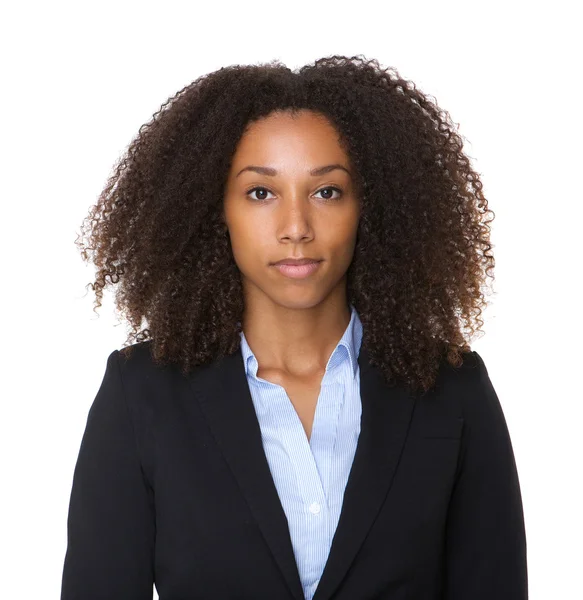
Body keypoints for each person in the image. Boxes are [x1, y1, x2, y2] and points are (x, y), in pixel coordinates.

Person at [60, 55, 528, 600]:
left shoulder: (452, 390)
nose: (296, 228)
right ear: (217, 210)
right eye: (261, 192)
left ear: (369, 208)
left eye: (327, 191)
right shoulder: (141, 394)